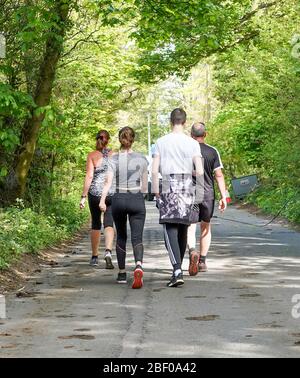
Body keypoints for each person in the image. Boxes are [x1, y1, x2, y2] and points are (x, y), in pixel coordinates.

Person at [152, 109, 204, 288]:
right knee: (183, 226)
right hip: (187, 183)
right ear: (185, 121)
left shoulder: (160, 142)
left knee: (169, 226)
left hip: (168, 182)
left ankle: (177, 270)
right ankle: (178, 269)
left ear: (170, 121)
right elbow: (200, 170)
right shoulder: (192, 143)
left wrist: (155, 191)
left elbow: (154, 169)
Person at [100, 127, 148, 289]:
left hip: (119, 199)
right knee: (137, 237)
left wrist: (102, 200)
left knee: (121, 235)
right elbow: (144, 187)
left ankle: (121, 273)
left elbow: (108, 183)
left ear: (120, 140)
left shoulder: (113, 160)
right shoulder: (141, 159)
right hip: (136, 198)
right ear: (133, 139)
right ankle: (139, 265)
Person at [187, 122, 227, 276]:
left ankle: (192, 252)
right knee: (205, 227)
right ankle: (202, 261)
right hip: (207, 194)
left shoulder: (187, 151)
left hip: (190, 193)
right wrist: (224, 196)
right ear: (205, 134)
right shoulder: (212, 151)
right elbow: (219, 175)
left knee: (190, 227)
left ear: (191, 135)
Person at [80, 130, 115, 269]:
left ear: (97, 140)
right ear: (108, 140)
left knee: (95, 223)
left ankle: (94, 256)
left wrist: (83, 196)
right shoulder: (114, 155)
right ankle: (108, 251)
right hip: (111, 194)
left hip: (95, 194)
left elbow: (89, 176)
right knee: (109, 223)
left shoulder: (92, 155)